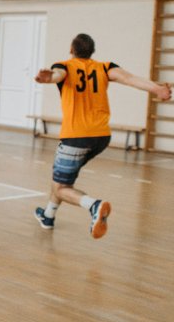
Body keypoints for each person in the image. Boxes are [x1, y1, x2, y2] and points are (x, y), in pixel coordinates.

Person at [33, 33, 171, 238]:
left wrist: (48, 79)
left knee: (62, 187)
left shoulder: (65, 66)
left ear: (71, 50)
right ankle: (48, 215)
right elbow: (130, 79)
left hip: (76, 137)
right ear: (92, 51)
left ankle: (94, 206)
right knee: (60, 179)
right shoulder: (104, 67)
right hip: (101, 137)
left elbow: (57, 75)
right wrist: (157, 90)